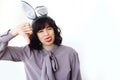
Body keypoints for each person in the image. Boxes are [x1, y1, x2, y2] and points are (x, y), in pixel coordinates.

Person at [0, 16, 82, 80]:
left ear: (54, 30)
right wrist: (13, 33)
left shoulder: (70, 53)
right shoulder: (27, 52)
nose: (46, 34)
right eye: (40, 31)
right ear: (36, 35)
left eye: (49, 29)